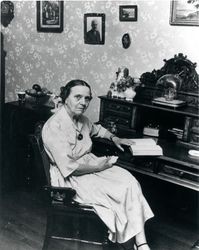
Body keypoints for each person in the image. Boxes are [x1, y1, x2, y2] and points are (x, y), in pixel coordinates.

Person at [42, 79, 154, 250]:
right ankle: (130, 243)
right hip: (71, 177)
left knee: (129, 180)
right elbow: (69, 168)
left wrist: (114, 137)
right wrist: (100, 167)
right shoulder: (54, 126)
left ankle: (141, 241)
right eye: (77, 97)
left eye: (87, 99)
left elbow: (98, 129)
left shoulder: (81, 120)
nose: (83, 102)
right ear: (65, 97)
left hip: (90, 165)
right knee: (118, 190)